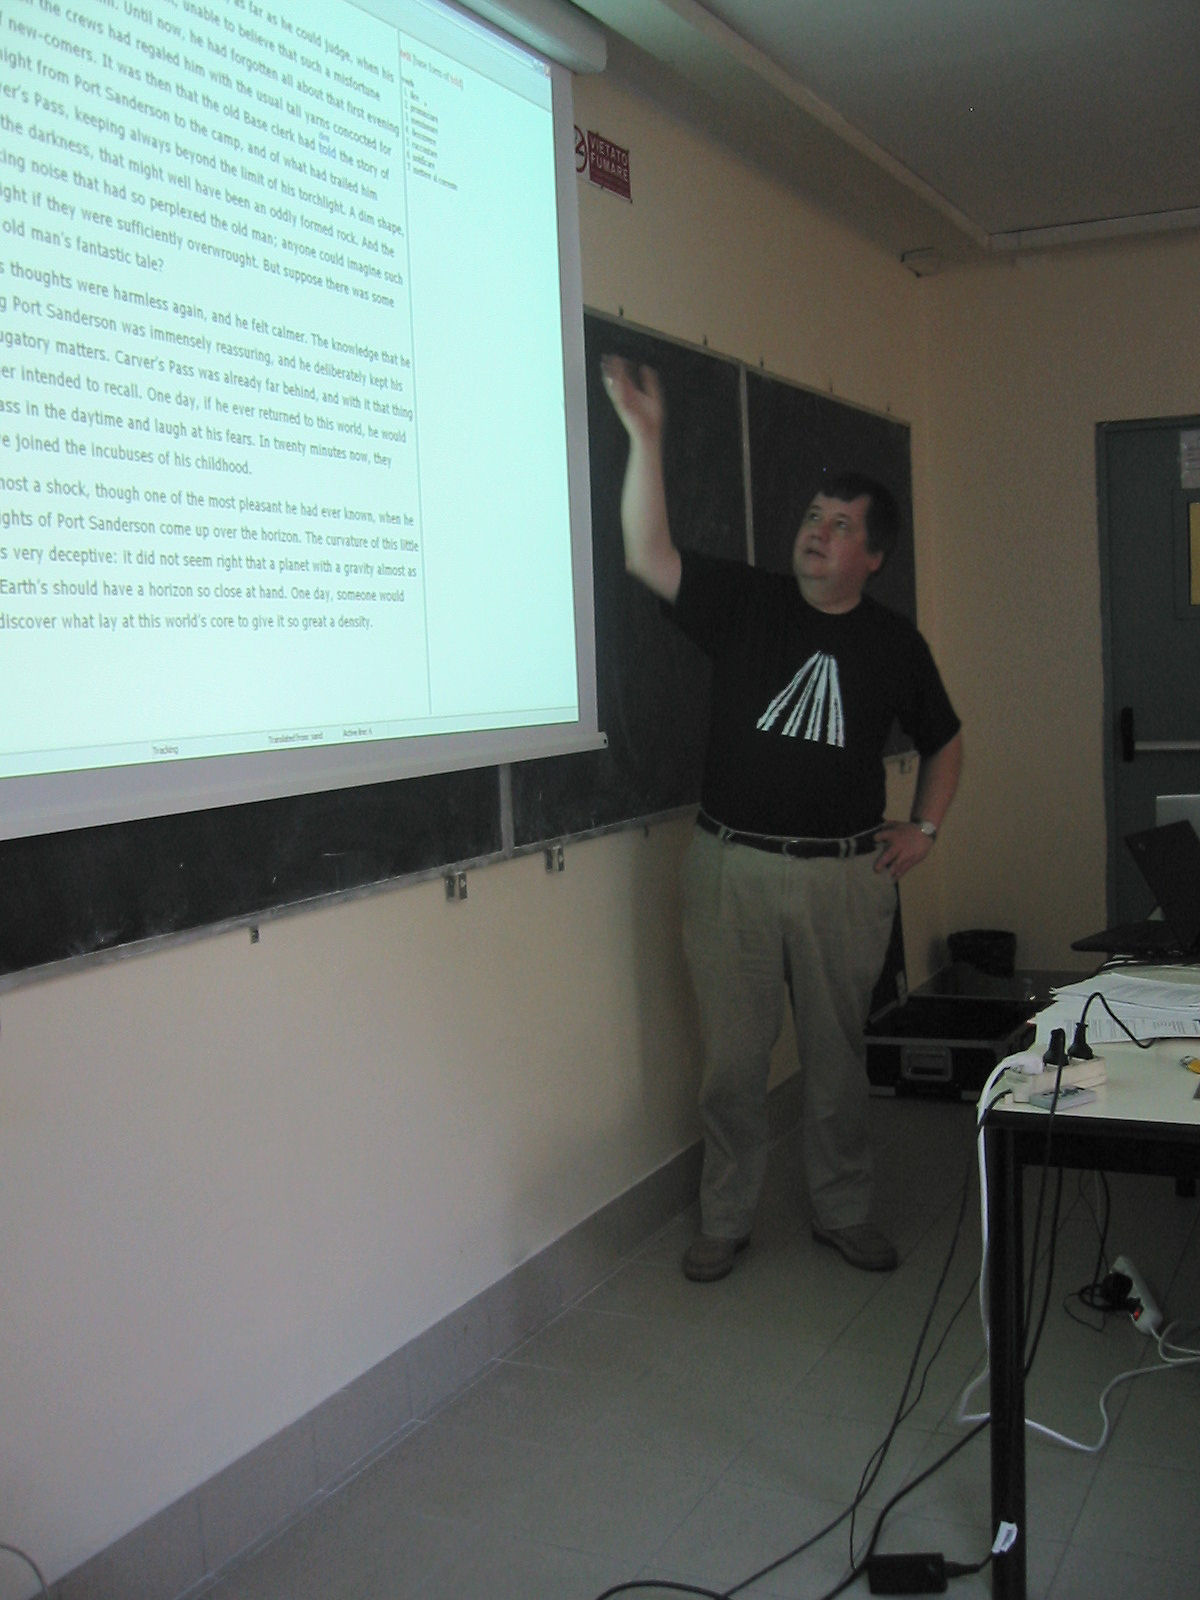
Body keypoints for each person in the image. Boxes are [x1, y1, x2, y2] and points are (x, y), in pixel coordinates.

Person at [600, 354, 964, 1281]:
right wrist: (645, 434)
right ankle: (725, 1216)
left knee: (839, 1061)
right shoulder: (746, 603)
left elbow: (946, 741)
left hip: (846, 878)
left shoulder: (894, 643)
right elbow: (647, 555)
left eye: (840, 526)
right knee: (732, 1063)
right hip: (733, 869)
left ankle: (843, 1210)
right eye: (811, 517)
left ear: (872, 556)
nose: (816, 534)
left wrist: (924, 829)